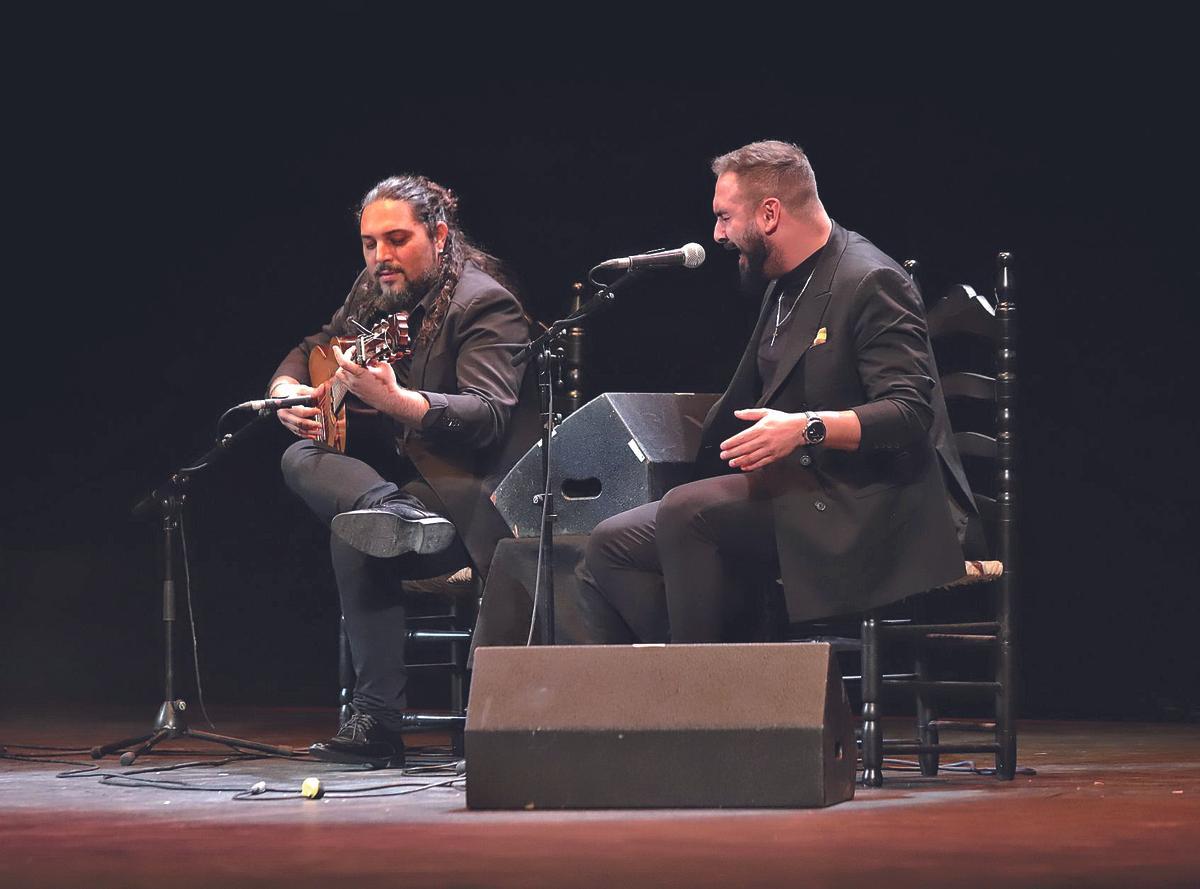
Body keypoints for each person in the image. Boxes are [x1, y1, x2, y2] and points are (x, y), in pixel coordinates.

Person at [578, 140, 976, 643]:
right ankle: (720, 677)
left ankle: (706, 697)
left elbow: (909, 411)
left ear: (769, 214)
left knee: (687, 512)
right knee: (611, 544)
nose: (717, 235)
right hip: (800, 487)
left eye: (725, 218)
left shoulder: (869, 280)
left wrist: (806, 429)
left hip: (868, 500)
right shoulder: (784, 282)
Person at [269, 175, 532, 768]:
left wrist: (395, 402)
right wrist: (289, 391)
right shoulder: (374, 290)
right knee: (303, 461)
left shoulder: (484, 302)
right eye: (369, 243)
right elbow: (312, 345)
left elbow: (488, 417)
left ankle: (377, 722)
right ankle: (393, 514)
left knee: (355, 532)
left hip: (473, 509)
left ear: (439, 235)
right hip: (409, 500)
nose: (380, 258)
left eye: (396, 239)